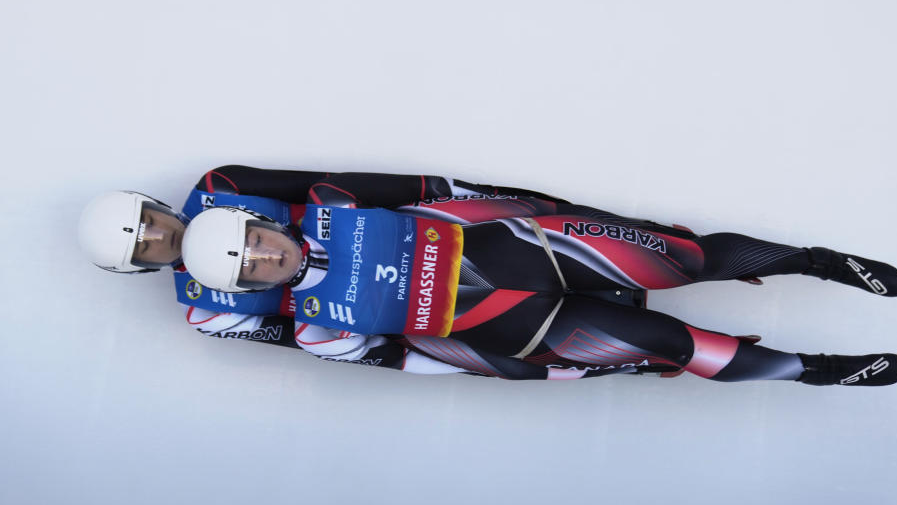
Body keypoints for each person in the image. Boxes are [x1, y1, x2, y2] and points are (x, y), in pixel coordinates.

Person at [179, 180, 897, 386]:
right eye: (251, 265)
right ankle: (811, 372)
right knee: (677, 346)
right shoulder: (312, 321)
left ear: (262, 219)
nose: (266, 256)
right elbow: (399, 356)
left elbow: (426, 191)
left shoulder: (335, 211)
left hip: (525, 251)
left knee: (686, 258)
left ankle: (817, 262)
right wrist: (511, 371)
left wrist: (532, 207)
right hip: (514, 329)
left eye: (259, 239)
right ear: (247, 286)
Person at [77, 165, 584, 363]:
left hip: (410, 242)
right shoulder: (205, 309)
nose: (162, 236)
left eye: (150, 221)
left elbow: (326, 186)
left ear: (156, 206)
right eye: (146, 247)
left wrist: (452, 195)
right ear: (140, 267)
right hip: (394, 306)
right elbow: (294, 330)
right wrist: (396, 347)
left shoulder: (219, 188)